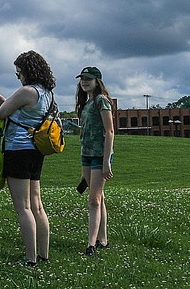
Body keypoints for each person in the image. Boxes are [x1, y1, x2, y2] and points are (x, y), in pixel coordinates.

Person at [0, 50, 55, 266]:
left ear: (27, 71)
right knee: (37, 206)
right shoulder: (45, 92)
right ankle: (43, 255)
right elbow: (15, 110)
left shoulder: (26, 91)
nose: (19, 77)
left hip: (18, 151)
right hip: (36, 152)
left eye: (19, 73)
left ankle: (30, 259)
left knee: (23, 207)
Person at [75, 66, 115, 256]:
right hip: (87, 155)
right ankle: (103, 239)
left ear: (97, 81)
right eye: (82, 79)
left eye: (88, 79)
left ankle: (91, 244)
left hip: (100, 155)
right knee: (98, 198)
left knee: (94, 199)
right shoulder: (86, 103)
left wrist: (107, 160)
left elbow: (110, 131)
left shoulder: (101, 100)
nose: (84, 82)